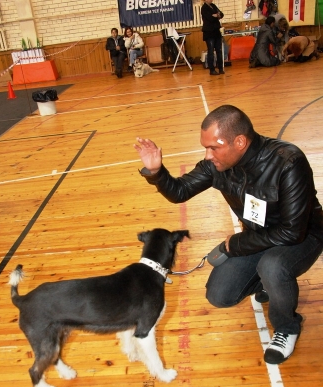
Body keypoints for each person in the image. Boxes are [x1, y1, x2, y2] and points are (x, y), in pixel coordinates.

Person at [133, 105, 323, 365]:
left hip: (304, 236)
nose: (208, 155)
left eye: (214, 147)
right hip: (258, 236)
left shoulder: (287, 162)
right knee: (220, 294)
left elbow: (292, 231)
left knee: (274, 265)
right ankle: (273, 283)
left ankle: (287, 327)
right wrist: (156, 172)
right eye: (205, 147)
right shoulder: (218, 165)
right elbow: (179, 192)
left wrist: (235, 244)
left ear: (240, 142)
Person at [200, 0, 224, 75]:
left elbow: (221, 14)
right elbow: (210, 18)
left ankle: (220, 68)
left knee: (219, 50)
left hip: (216, 31)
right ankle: (212, 69)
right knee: (211, 51)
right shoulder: (204, 8)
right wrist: (216, 16)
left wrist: (217, 15)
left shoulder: (213, 6)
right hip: (209, 32)